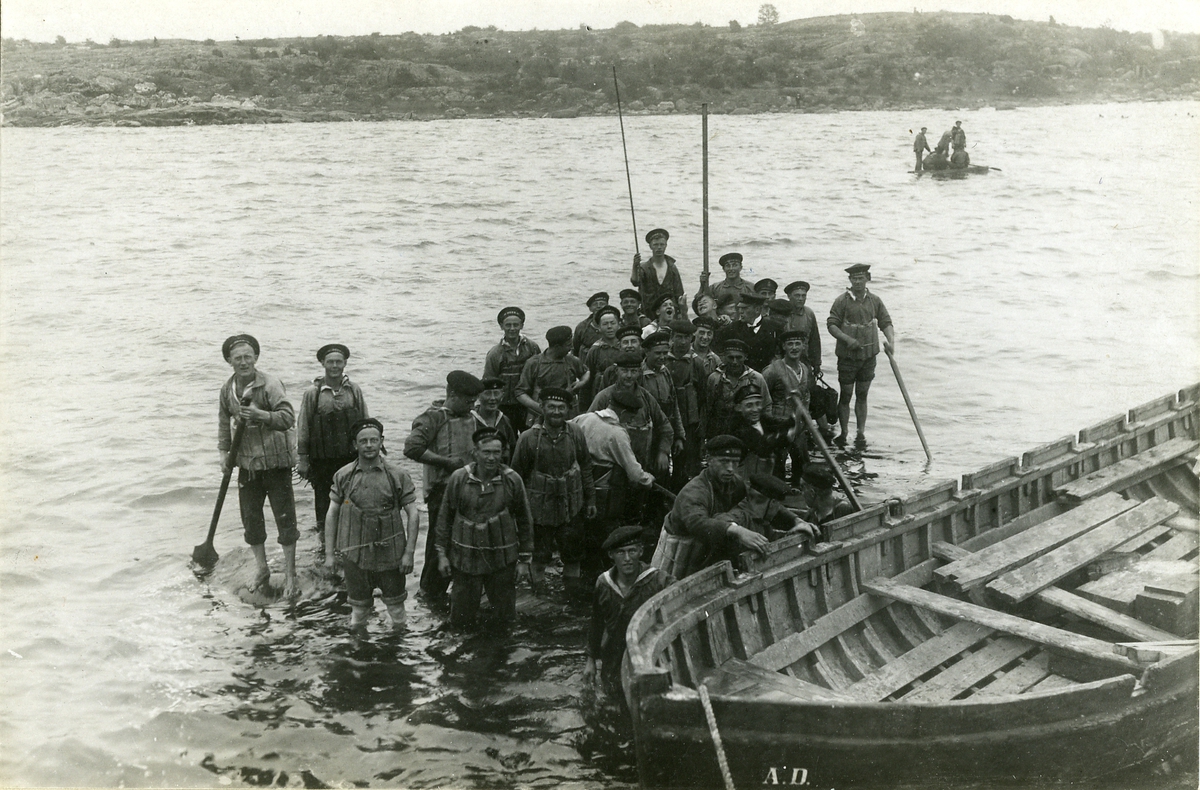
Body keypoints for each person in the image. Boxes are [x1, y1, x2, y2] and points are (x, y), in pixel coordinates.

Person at [218, 334, 299, 597]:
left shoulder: (270, 384)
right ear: (229, 361)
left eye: (248, 357)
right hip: (247, 466)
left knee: (285, 520)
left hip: (276, 464)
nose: (243, 362)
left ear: (256, 358)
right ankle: (262, 568)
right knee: (251, 522)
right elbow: (223, 423)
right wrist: (223, 453)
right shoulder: (227, 389)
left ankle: (290, 574)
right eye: (238, 358)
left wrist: (260, 415)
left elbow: (288, 417)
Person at [323, 418, 419, 632]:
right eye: (363, 441)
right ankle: (359, 645)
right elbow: (332, 514)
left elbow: (413, 514)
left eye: (373, 440)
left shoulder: (398, 475)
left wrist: (409, 553)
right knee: (359, 611)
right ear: (354, 444)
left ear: (381, 441)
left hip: (391, 555)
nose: (369, 445)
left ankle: (399, 645)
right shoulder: (343, 475)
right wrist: (329, 554)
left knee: (396, 609)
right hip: (355, 555)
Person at [435, 427, 535, 630]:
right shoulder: (459, 478)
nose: (491, 458)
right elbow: (445, 518)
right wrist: (442, 555)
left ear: (503, 453)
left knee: (505, 620)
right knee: (461, 621)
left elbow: (525, 521)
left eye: (496, 452)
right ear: (475, 452)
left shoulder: (512, 480)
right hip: (465, 559)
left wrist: (524, 560)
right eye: (486, 452)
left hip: (502, 559)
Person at [405, 370, 484, 599]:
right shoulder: (432, 418)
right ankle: (429, 592)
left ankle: (458, 589)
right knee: (440, 543)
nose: (472, 406)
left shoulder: (474, 417)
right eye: (468, 401)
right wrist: (446, 462)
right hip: (442, 491)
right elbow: (412, 448)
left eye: (474, 401)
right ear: (453, 395)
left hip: (469, 488)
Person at [510, 387, 597, 595]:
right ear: (542, 408)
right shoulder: (528, 438)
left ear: (568, 409)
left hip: (571, 507)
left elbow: (585, 466)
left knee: (573, 556)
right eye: (551, 407)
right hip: (539, 510)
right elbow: (516, 477)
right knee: (539, 558)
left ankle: (571, 595)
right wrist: (517, 513)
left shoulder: (575, 433)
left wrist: (591, 499)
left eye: (561, 407)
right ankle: (539, 593)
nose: (556, 412)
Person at [655, 435, 765, 579]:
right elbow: (697, 523)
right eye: (724, 461)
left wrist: (792, 521)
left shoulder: (735, 483)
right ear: (709, 460)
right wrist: (737, 530)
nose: (730, 468)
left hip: (710, 548)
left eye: (735, 462)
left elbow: (753, 502)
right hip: (681, 558)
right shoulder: (694, 491)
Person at [582, 525, 673, 696]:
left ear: (640, 551)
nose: (627, 559)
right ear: (611, 555)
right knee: (611, 699)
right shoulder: (604, 584)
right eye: (620, 552)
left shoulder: (657, 580)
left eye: (632, 551)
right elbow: (596, 623)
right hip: (613, 659)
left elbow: (682, 595)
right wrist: (590, 660)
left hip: (646, 658)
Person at [571, 400, 656, 578]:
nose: (630, 422)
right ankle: (601, 575)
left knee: (584, 532)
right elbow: (634, 473)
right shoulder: (617, 433)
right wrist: (648, 479)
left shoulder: (583, 418)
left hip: (579, 487)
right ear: (623, 413)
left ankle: (586, 572)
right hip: (604, 493)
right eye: (630, 418)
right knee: (603, 535)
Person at [297, 343, 369, 551]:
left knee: (354, 500)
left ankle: (351, 545)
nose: (335, 366)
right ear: (323, 363)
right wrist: (303, 459)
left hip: (350, 458)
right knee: (324, 503)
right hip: (322, 460)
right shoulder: (313, 393)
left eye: (339, 362)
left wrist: (369, 452)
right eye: (330, 362)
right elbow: (303, 426)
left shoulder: (354, 390)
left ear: (345, 363)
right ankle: (325, 546)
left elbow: (365, 422)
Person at [827, 264, 894, 451]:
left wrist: (891, 341)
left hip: (868, 357)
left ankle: (860, 432)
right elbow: (831, 325)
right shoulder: (841, 301)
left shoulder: (875, 301)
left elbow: (886, 322)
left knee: (862, 395)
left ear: (867, 278)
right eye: (854, 278)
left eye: (861, 278)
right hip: (847, 357)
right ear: (850, 280)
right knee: (846, 394)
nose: (857, 282)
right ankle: (844, 433)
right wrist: (847, 339)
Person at [590, 352, 674, 481]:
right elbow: (590, 429)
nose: (629, 375)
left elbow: (665, 426)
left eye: (633, 371)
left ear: (639, 372)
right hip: (612, 470)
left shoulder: (646, 398)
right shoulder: (604, 397)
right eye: (624, 371)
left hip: (642, 466)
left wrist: (663, 451)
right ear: (616, 371)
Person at [715, 473, 818, 560]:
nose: (778, 509)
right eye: (778, 505)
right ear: (773, 503)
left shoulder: (760, 519)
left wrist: (792, 532)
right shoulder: (741, 516)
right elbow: (719, 521)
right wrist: (739, 531)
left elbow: (769, 540)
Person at [763, 330, 813, 483]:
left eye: (798, 344)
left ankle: (797, 489)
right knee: (778, 462)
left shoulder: (805, 369)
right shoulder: (772, 371)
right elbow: (763, 398)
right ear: (784, 346)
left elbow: (806, 396)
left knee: (801, 461)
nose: (794, 348)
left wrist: (807, 421)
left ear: (803, 346)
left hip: (799, 424)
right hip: (779, 423)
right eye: (790, 344)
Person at [664, 319, 708, 489]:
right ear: (672, 337)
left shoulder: (696, 363)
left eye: (686, 337)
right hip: (666, 417)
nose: (682, 342)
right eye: (679, 337)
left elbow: (703, 396)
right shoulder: (664, 359)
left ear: (691, 338)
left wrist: (700, 424)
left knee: (686, 460)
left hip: (688, 420)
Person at [483, 306, 540, 433]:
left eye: (516, 325)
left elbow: (539, 375)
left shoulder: (532, 347)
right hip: (505, 405)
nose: (512, 328)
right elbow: (488, 382)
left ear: (522, 325)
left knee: (530, 436)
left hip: (528, 404)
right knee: (508, 438)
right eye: (508, 325)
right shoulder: (495, 353)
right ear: (501, 326)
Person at [516, 325, 590, 420]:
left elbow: (586, 372)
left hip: (568, 414)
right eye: (568, 345)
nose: (571, 348)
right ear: (557, 347)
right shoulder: (534, 363)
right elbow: (520, 393)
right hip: (540, 416)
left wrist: (581, 382)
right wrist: (540, 408)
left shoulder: (571, 360)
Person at [704, 338, 771, 439]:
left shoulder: (756, 378)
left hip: (749, 433)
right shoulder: (715, 378)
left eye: (739, 357)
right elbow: (708, 409)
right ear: (724, 357)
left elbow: (767, 406)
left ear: (745, 357)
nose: (734, 362)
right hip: (720, 432)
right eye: (731, 357)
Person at [728, 384, 795, 479]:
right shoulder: (737, 427)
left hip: (766, 476)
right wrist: (788, 435)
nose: (755, 409)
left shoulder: (762, 419)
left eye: (758, 404)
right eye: (749, 405)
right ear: (738, 407)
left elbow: (780, 424)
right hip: (746, 480)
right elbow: (763, 446)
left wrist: (794, 416)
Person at [631, 228, 687, 319]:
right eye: (655, 245)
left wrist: (681, 312)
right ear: (650, 246)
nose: (659, 247)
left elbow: (679, 292)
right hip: (649, 313)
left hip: (669, 313)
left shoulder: (672, 267)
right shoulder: (644, 267)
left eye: (662, 244)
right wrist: (635, 265)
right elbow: (635, 282)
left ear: (666, 245)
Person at [716, 292, 777, 372]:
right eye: (740, 308)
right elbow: (716, 344)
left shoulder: (774, 328)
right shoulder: (732, 328)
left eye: (745, 308)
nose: (740, 311)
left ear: (757, 309)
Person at [581, 305, 622, 408]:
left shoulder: (625, 346)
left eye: (612, 323)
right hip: (600, 390)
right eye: (605, 324)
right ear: (599, 327)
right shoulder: (595, 350)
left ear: (619, 325)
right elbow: (588, 377)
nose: (609, 327)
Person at [472, 377, 518, 464]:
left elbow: (512, 449)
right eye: (487, 394)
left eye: (496, 393)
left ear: (502, 396)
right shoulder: (470, 420)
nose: (492, 398)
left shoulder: (504, 421)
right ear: (478, 396)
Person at [783, 281, 822, 379]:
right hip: (783, 360)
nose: (800, 299)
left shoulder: (809, 314)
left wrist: (816, 363)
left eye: (803, 296)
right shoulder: (781, 312)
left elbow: (814, 340)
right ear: (789, 296)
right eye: (797, 295)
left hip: (804, 360)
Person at [573, 292, 610, 358]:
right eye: (595, 304)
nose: (598, 306)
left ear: (607, 306)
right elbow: (575, 349)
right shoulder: (582, 327)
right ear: (590, 308)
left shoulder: (616, 324)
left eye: (602, 304)